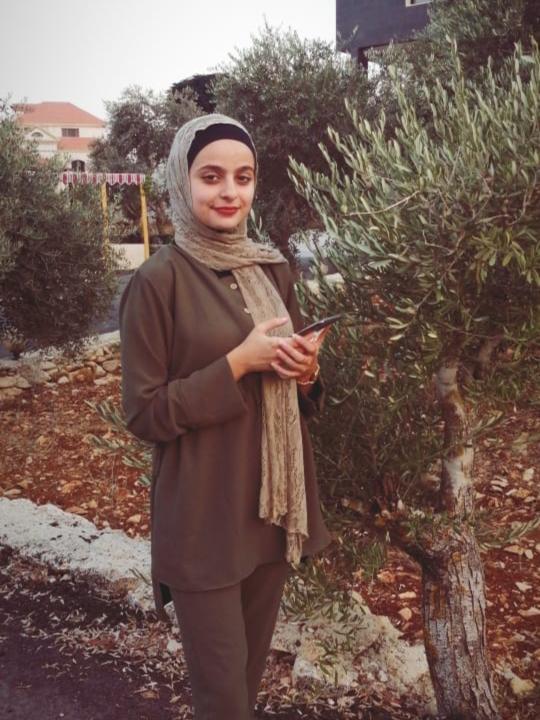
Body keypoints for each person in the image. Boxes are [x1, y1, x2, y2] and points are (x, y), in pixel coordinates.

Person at [119, 113, 333, 720]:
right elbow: (144, 413)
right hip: (203, 520)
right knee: (222, 699)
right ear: (181, 181)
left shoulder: (272, 269)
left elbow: (300, 394)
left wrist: (304, 370)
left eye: (243, 177)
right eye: (211, 177)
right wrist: (238, 363)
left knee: (246, 683)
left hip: (270, 510)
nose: (229, 192)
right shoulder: (157, 282)